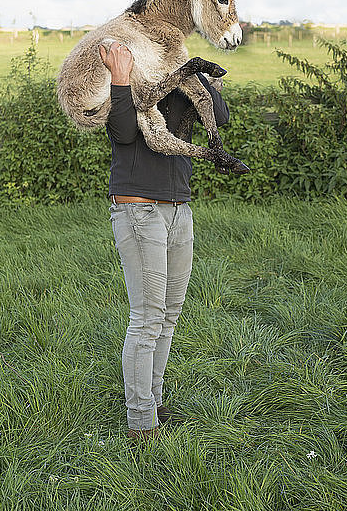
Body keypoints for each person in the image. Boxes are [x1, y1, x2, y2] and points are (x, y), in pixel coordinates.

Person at [100, 41, 230, 442]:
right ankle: (141, 422)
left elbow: (220, 117)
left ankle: (152, 401)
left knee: (169, 314)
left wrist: (201, 77)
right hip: (139, 211)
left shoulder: (183, 84)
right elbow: (123, 134)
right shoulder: (132, 81)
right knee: (147, 317)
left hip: (179, 209)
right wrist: (119, 76)